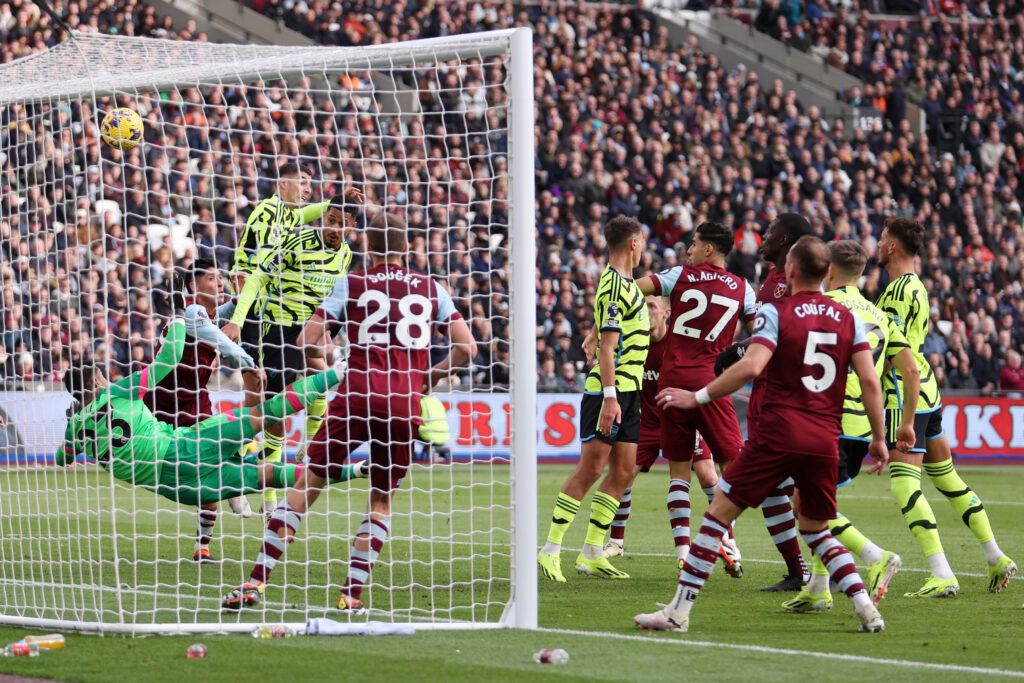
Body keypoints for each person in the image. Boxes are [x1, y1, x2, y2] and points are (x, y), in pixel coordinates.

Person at [222, 212, 476, 613]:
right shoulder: (431, 288)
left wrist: (324, 361)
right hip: (402, 402)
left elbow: (307, 338)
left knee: (305, 488)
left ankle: (255, 583)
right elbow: (467, 348)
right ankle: (350, 596)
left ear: (367, 247)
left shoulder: (351, 283)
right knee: (380, 501)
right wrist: (427, 378)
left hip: (355, 395)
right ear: (408, 247)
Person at [634, 236, 888, 634]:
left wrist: (696, 396)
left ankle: (677, 613)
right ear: (828, 273)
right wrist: (879, 437)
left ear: (790, 271)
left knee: (717, 514)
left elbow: (751, 367)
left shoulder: (777, 311)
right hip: (824, 437)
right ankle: (866, 608)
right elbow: (871, 381)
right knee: (815, 527)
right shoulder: (848, 318)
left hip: (778, 434)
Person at [57, 319, 364, 508]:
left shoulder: (75, 431)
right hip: (184, 449)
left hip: (179, 489)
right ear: (97, 380)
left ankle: (359, 471)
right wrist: (178, 318)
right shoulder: (117, 392)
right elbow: (169, 358)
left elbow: (63, 458)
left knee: (268, 476)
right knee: (265, 414)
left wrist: (73, 426)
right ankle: (341, 371)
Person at [876, 218, 1016, 596]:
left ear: (892, 247)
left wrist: (874, 389)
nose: (877, 243)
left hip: (905, 394)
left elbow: (895, 354)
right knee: (947, 477)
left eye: (881, 239)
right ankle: (995, 556)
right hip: (929, 391)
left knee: (905, 486)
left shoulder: (897, 292)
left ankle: (941, 572)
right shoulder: (916, 286)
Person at [783, 240, 919, 612]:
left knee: (807, 507)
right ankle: (819, 587)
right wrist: (904, 425)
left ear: (828, 271)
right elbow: (910, 370)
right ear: (862, 274)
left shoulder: (825, 310)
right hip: (862, 428)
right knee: (819, 501)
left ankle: (874, 555)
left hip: (826, 421)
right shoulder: (880, 315)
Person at [224, 190, 358, 520]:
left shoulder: (345, 256)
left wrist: (332, 333)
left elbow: (336, 297)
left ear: (352, 227)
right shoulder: (296, 241)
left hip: (305, 330)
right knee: (267, 414)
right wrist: (237, 322)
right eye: (330, 220)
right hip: (271, 326)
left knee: (324, 376)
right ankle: (238, 477)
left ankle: (297, 456)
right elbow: (257, 278)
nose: (334, 228)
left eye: (342, 224)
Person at [537, 216, 649, 582]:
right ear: (634, 243)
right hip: (609, 392)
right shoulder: (614, 285)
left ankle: (591, 551)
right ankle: (551, 549)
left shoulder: (628, 285)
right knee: (591, 469)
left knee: (624, 471)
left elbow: (606, 331)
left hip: (630, 391)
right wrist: (610, 397)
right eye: (642, 241)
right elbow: (608, 348)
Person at [600, 294, 743, 578]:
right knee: (622, 474)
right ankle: (616, 542)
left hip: (678, 415)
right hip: (647, 422)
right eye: (644, 306)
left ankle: (729, 542)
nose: (646, 311)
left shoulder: (678, 347)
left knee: (707, 475)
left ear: (667, 312)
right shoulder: (633, 342)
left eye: (652, 306)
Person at [721, 212, 813, 592]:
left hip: (784, 396)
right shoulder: (773, 279)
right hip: (766, 394)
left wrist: (738, 354)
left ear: (787, 239)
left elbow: (785, 337)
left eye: (770, 232)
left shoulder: (794, 282)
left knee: (782, 489)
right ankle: (800, 571)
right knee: (778, 491)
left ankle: (856, 563)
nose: (761, 237)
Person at [149, 259, 260, 562]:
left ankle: (203, 547)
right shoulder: (192, 312)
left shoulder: (210, 313)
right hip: (162, 399)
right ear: (195, 287)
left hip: (195, 399)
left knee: (210, 467)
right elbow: (223, 342)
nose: (220, 282)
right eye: (212, 278)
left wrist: (243, 291)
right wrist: (250, 363)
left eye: (220, 277)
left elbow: (235, 309)